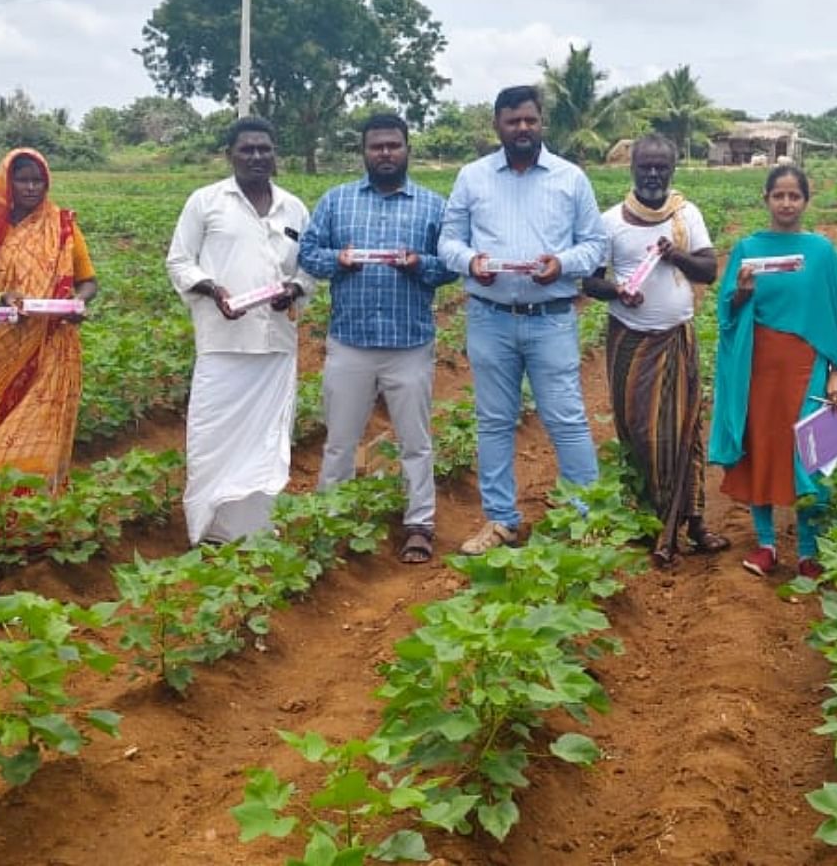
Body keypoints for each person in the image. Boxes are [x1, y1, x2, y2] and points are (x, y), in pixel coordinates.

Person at [437, 86, 610, 555]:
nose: (522, 129)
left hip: (551, 317)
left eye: (530, 120)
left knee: (567, 419)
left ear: (542, 123)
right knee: (493, 421)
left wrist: (563, 263)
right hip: (489, 317)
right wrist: (472, 262)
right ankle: (500, 521)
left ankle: (586, 518)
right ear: (497, 125)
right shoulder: (472, 177)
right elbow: (448, 242)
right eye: (513, 121)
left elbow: (595, 244)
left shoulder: (570, 178)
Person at [299, 113, 458, 564]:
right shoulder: (336, 201)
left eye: (393, 145)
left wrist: (420, 265)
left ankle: (419, 524)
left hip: (409, 343)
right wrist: (339, 259)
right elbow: (308, 253)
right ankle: (331, 521)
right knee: (340, 440)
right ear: (364, 152)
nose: (385, 153)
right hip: (351, 342)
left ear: (408, 148)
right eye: (376, 147)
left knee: (415, 440)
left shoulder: (433, 206)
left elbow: (449, 264)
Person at [166, 116, 314, 546]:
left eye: (264, 149)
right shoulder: (207, 202)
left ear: (275, 155)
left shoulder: (293, 208)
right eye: (246, 149)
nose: (256, 157)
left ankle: (254, 529)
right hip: (222, 344)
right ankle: (210, 530)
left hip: (275, 346)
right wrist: (212, 288)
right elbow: (179, 261)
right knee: (213, 437)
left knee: (269, 441)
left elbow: (307, 270)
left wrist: (295, 289)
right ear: (229, 154)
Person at [581, 134, 728, 568]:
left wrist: (676, 255)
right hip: (630, 339)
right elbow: (590, 281)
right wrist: (618, 291)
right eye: (645, 166)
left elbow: (709, 270)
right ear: (632, 167)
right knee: (640, 434)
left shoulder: (686, 216)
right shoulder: (610, 222)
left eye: (661, 167)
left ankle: (692, 521)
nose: (652, 174)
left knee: (684, 430)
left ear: (672, 170)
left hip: (677, 338)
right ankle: (649, 523)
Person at [708, 165, 837, 581]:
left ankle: (809, 550)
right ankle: (766, 543)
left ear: (806, 201)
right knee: (764, 449)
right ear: (766, 199)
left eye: (794, 196)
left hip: (807, 365)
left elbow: (835, 319)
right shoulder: (748, 249)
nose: (786, 203)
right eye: (779, 195)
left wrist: (835, 371)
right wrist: (742, 294)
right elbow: (726, 313)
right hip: (758, 367)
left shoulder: (821, 252)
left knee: (813, 453)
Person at [0, 148, 99, 493]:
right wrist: (1, 299)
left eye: (37, 181)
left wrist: (75, 303)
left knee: (42, 423)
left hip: (53, 341)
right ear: (7, 183)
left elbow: (88, 282)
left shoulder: (63, 226)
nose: (30, 188)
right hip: (2, 343)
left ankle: (39, 507)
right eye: (22, 180)